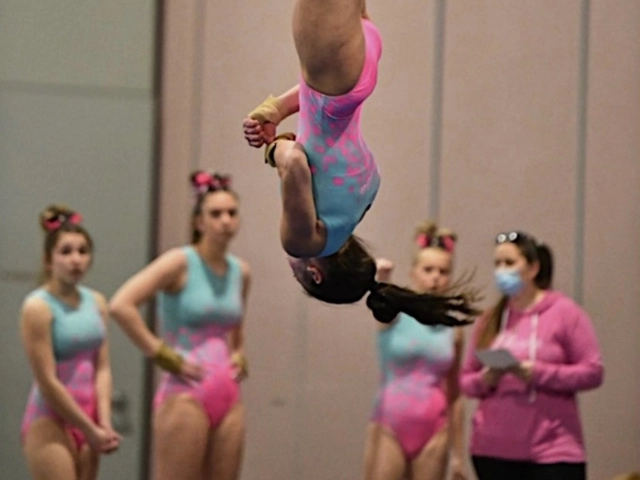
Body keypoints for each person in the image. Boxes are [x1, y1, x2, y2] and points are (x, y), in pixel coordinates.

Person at [241, 1, 475, 326]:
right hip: (333, 76)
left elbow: (323, 107)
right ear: (315, 274)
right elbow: (294, 161)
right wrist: (273, 148)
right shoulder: (301, 243)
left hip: (360, 68)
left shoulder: (363, 200)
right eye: (299, 279)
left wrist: (277, 109)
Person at [109, 172, 250, 480]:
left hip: (227, 391)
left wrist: (239, 352)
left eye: (231, 213)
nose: (225, 220)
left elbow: (236, 326)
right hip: (186, 391)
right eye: (215, 213)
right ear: (199, 222)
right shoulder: (179, 262)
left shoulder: (241, 271)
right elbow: (121, 304)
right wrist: (160, 352)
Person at [460, 230, 604, 480]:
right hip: (493, 450)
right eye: (497, 264)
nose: (501, 271)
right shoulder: (490, 320)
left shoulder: (565, 313)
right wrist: (486, 379)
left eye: (509, 263)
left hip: (552, 450)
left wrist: (538, 373)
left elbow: (593, 372)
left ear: (533, 268)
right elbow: (465, 380)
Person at [20, 205, 120, 480]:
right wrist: (89, 428)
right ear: (48, 260)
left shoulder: (97, 302)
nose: (75, 260)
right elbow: (47, 381)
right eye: (65, 252)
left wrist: (104, 423)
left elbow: (102, 368)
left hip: (90, 417)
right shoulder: (38, 307)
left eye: (82, 251)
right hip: (50, 419)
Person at [364, 222, 468, 480]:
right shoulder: (395, 314)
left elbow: (455, 392)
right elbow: (380, 303)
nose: (435, 277)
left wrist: (458, 454)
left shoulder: (451, 327)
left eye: (443, 271)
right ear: (413, 273)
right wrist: (381, 279)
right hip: (391, 423)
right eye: (428, 269)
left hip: (434, 427)